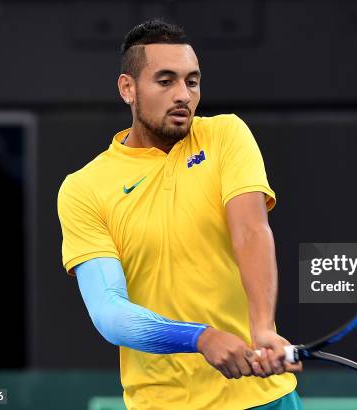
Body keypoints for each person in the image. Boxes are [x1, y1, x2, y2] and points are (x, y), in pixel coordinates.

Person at [57, 18, 302, 409]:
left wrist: (262, 328)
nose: (183, 95)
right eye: (165, 81)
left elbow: (251, 231)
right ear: (128, 89)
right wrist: (200, 337)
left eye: (192, 81)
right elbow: (109, 311)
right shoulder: (84, 188)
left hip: (263, 399)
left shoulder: (226, 135)